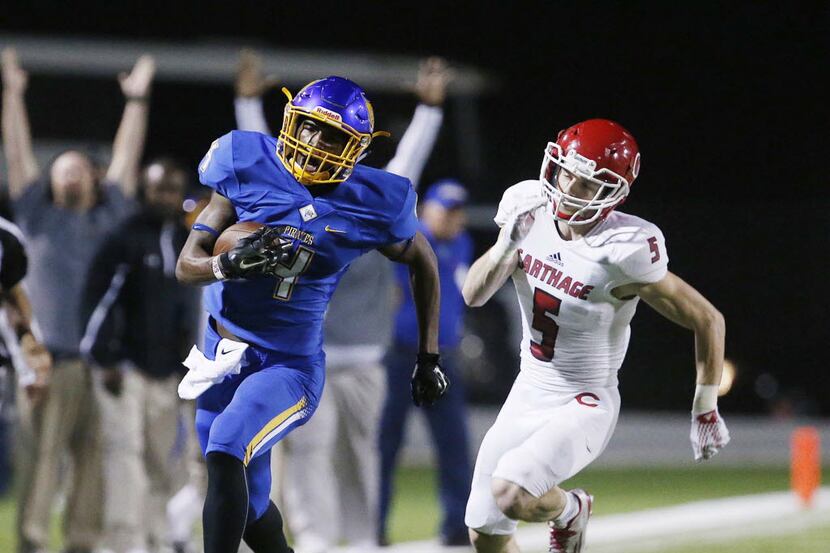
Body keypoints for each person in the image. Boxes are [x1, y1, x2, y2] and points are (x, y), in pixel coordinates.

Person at [175, 75, 449, 553]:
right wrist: (227, 263)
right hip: (219, 353)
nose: (317, 143)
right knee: (253, 506)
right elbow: (186, 264)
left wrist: (428, 356)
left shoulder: (373, 201)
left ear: (358, 148)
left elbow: (423, 259)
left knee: (224, 445)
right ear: (290, 124)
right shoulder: (243, 160)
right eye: (310, 128)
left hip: (287, 365)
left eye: (335, 136)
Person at [461, 119, 731, 553]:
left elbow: (708, 319)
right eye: (567, 172)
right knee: (485, 535)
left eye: (588, 183)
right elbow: (473, 295)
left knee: (511, 492)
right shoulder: (526, 207)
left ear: (614, 193)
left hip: (583, 400)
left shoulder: (624, 248)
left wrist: (705, 407)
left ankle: (569, 511)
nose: (570, 187)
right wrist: (505, 246)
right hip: (528, 389)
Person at [2, 47, 153, 553]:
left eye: (74, 169)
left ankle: (83, 544)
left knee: (94, 463)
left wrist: (136, 101)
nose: (62, 175)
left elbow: (128, 158)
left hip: (102, 364)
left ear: (93, 177)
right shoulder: (37, 216)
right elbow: (18, 153)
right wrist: (12, 94)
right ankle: (31, 542)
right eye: (57, 170)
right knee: (40, 461)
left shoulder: (113, 218)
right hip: (50, 363)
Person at [80, 160, 200, 553]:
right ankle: (124, 543)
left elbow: (187, 314)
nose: (166, 197)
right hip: (125, 369)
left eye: (172, 189)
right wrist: (106, 358)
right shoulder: (124, 239)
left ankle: (157, 539)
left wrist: (187, 367)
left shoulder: (185, 241)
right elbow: (98, 301)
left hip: (167, 372)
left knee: (162, 461)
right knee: (124, 459)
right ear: (143, 193)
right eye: (158, 189)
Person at [379, 179, 474, 546]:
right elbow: (391, 293)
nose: (453, 218)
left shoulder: (460, 242)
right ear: (427, 210)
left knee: (455, 446)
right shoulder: (411, 238)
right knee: (385, 446)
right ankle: (373, 527)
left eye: (457, 211)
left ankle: (457, 527)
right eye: (446, 210)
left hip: (443, 359)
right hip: (401, 357)